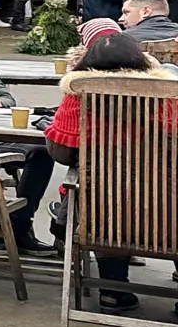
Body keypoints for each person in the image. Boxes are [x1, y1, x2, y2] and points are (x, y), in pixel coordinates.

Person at [42, 24, 178, 312]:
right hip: (168, 213)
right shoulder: (170, 97)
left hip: (105, 216)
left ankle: (113, 291)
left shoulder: (78, 97)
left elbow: (62, 153)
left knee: (103, 197)